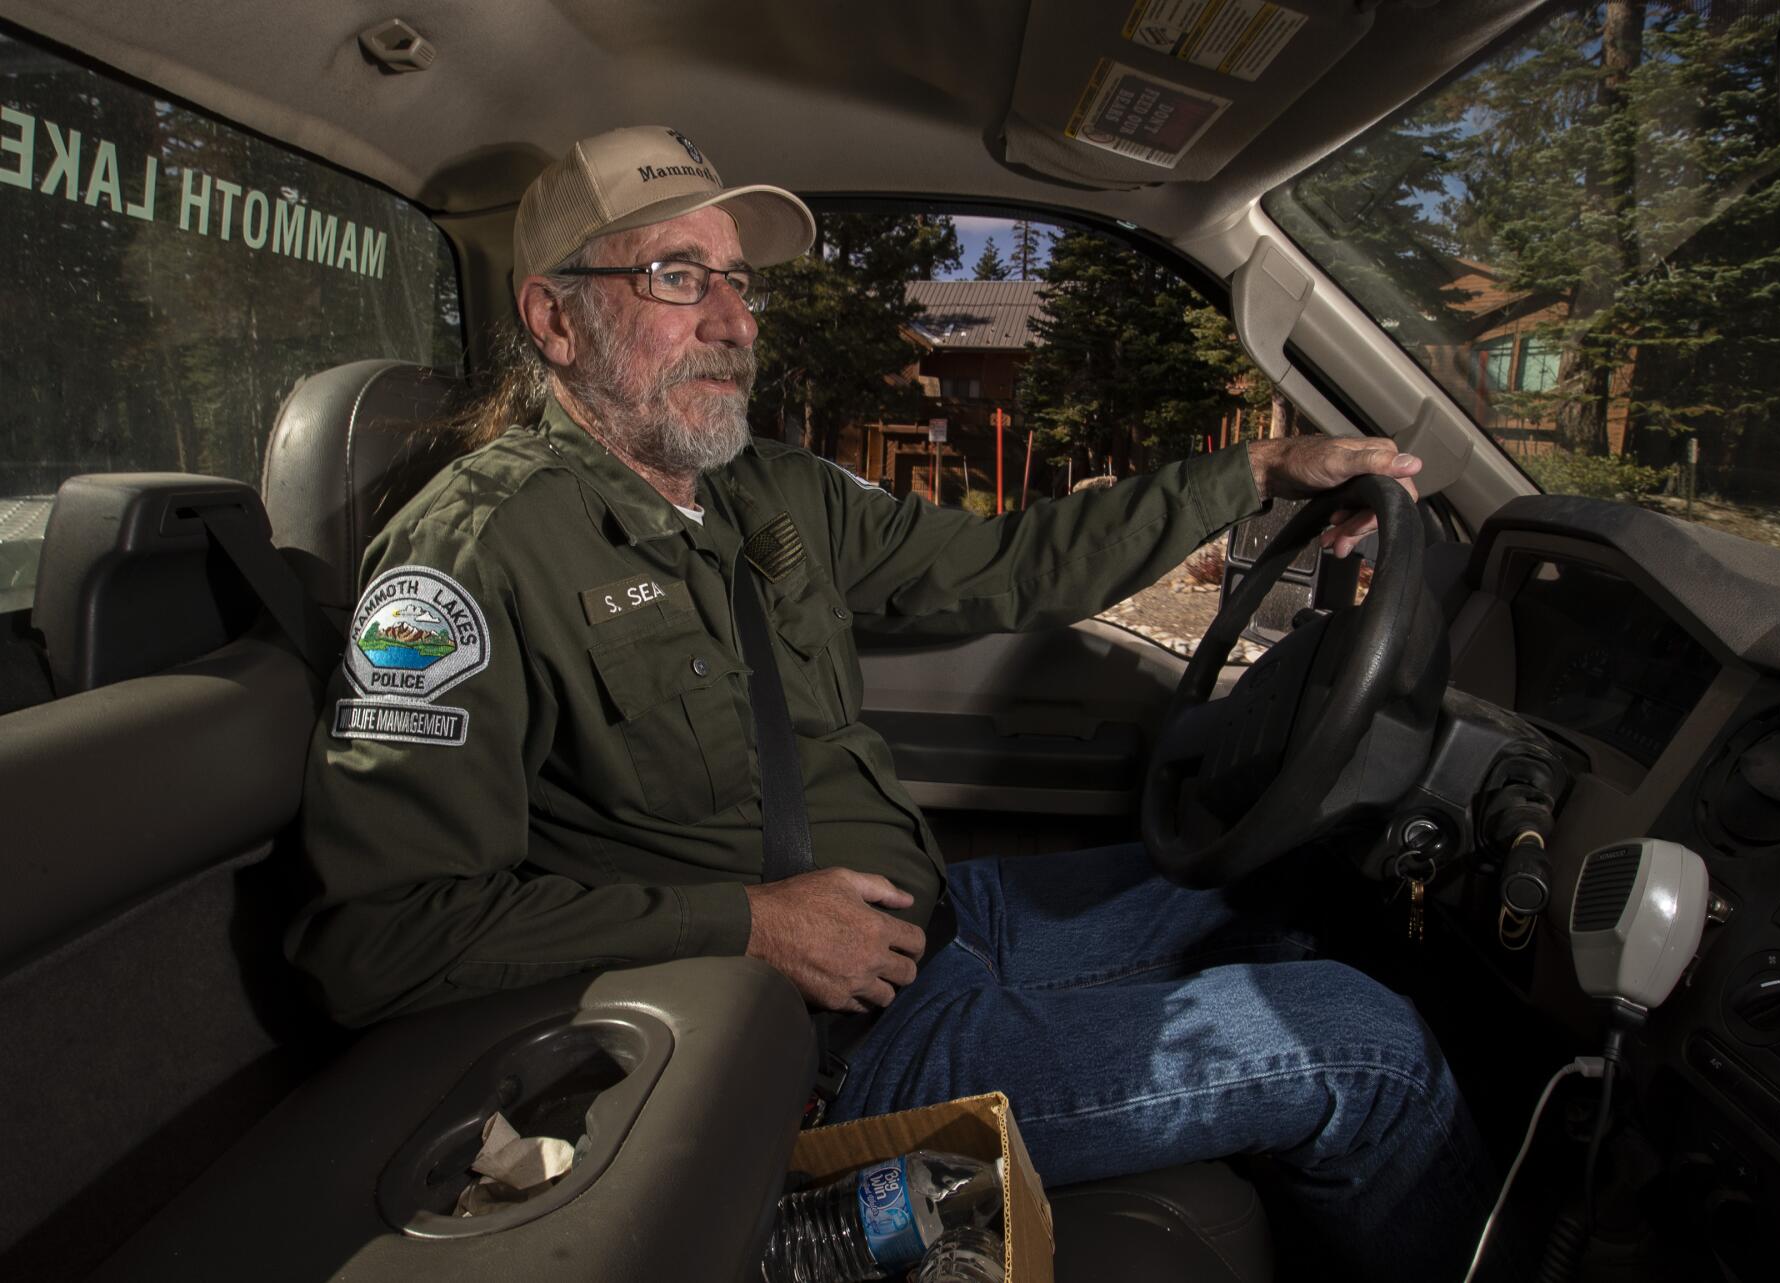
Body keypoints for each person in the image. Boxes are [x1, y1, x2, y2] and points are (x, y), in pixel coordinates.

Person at [288, 126, 1487, 1277]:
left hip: (936, 919)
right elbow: (382, 935)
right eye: (676, 276)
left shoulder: (772, 493)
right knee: (1369, 1049)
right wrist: (750, 923)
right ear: (554, 318)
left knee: (1286, 878)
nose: (733, 320)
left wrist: (1256, 471)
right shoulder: (464, 557)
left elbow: (1015, 568)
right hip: (809, 1039)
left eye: (738, 282)